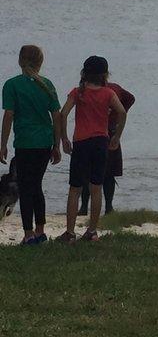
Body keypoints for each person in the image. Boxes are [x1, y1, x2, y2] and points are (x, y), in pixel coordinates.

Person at [57, 56, 127, 243]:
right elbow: (122, 112)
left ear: (84, 73)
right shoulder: (108, 93)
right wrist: (117, 136)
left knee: (75, 188)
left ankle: (70, 233)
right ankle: (92, 231)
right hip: (100, 143)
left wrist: (64, 138)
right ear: (105, 74)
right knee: (97, 188)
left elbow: (63, 113)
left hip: (81, 143)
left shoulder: (78, 92)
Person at [1, 45, 62, 245]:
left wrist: (3, 144)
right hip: (44, 142)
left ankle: (28, 234)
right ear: (40, 62)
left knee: (26, 187)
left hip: (25, 143)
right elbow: (56, 116)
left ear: (20, 61)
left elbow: (8, 116)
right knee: (36, 185)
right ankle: (40, 230)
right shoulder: (47, 85)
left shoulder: (12, 85)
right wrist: (57, 144)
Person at [79, 82, 135, 216]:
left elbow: (130, 99)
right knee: (108, 173)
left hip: (93, 132)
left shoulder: (89, 89)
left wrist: (118, 112)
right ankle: (108, 207)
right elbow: (130, 98)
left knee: (88, 172)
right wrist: (118, 112)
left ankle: (85, 207)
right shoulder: (114, 88)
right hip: (110, 131)